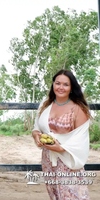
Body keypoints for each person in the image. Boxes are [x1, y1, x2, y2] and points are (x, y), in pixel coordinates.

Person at [32, 69, 91, 200]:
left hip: (67, 160)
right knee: (55, 195)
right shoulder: (45, 104)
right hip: (48, 159)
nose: (61, 87)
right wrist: (36, 137)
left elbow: (80, 139)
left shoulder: (77, 108)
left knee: (71, 195)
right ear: (53, 85)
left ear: (71, 88)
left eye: (66, 84)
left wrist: (60, 148)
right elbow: (37, 128)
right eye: (58, 83)